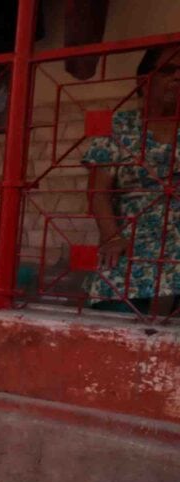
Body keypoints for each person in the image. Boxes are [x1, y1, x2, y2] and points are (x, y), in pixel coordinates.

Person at [84, 47, 180, 316]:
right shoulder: (120, 127)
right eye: (168, 71)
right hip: (133, 237)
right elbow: (98, 192)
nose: (177, 78)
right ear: (143, 81)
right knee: (115, 308)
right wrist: (112, 236)